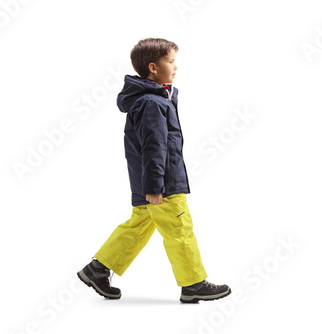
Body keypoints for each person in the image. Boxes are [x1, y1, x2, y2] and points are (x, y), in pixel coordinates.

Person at [77, 38, 231, 303]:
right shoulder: (152, 103)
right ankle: (193, 283)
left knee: (139, 225)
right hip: (163, 183)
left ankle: (98, 269)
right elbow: (153, 148)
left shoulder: (156, 99)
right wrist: (155, 187)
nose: (175, 66)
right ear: (153, 67)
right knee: (179, 228)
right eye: (170, 61)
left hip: (149, 180)